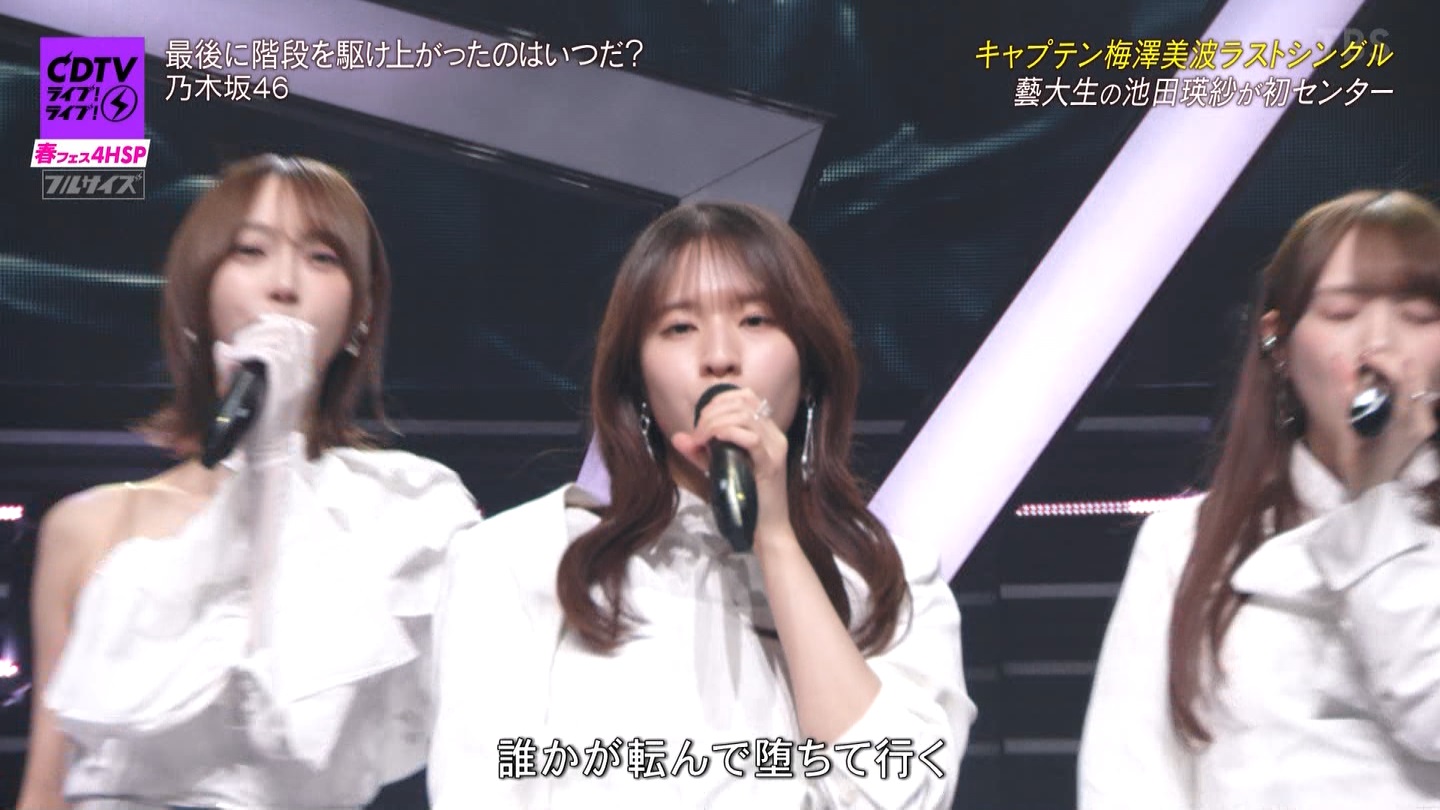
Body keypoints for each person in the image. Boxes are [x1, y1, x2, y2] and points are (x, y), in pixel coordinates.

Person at [428, 200, 974, 808]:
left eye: (756, 319)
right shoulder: (517, 559)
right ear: (636, 378)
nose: (720, 356)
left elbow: (904, 798)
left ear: (810, 365)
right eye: (679, 327)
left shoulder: (890, 579)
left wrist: (775, 539)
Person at [17, 154, 480, 810]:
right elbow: (45, 789)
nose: (283, 284)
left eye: (322, 258)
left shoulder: (411, 512)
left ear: (361, 315)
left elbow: (294, 727)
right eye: (250, 251)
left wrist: (272, 457)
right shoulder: (89, 523)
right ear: (197, 295)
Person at [1078, 189, 1440, 808]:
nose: (1380, 346)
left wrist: (1375, 504)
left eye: (1419, 315)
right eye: (1343, 312)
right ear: (1278, 342)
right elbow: (1127, 778)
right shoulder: (1187, 540)